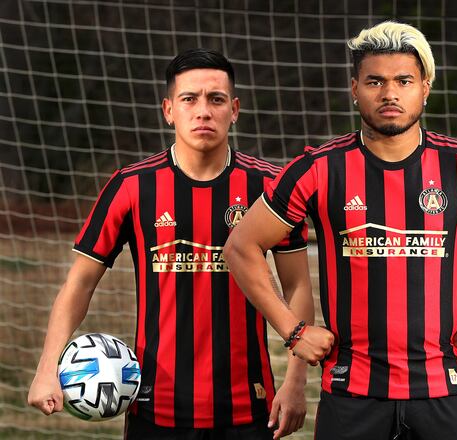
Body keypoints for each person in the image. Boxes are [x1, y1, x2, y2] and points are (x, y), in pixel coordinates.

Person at [224, 21, 457, 440]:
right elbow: (240, 245)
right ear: (354, 88)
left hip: (445, 392)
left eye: (404, 80)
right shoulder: (318, 168)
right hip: (351, 393)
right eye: (375, 81)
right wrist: (292, 331)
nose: (390, 93)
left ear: (425, 87)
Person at [27, 48, 313, 440]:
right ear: (168, 109)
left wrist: (296, 383)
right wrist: (46, 369)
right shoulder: (132, 186)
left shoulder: (268, 186)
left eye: (215, 99)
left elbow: (298, 285)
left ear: (234, 109)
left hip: (247, 406)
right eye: (189, 99)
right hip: (154, 409)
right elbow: (79, 284)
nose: (203, 111)